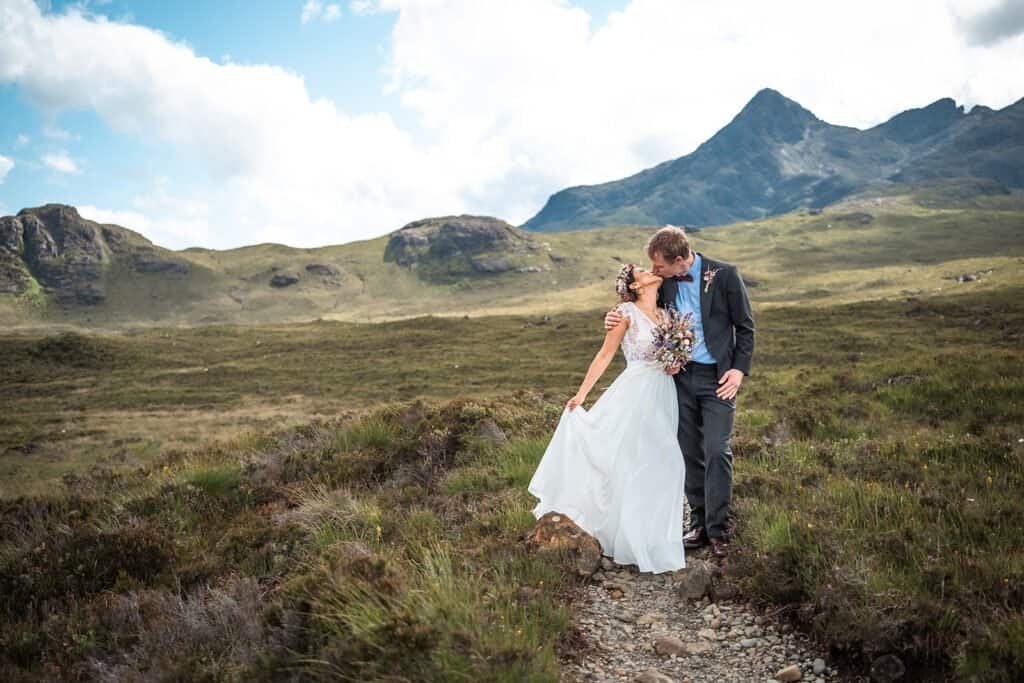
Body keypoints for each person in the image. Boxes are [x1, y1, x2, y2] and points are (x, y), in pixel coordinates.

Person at [603, 225, 755, 559]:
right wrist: (614, 317)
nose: (655, 272)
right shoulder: (666, 282)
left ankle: (719, 530)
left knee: (717, 449)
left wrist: (738, 369)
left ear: (680, 260)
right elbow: (638, 306)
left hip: (719, 379)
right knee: (689, 453)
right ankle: (699, 524)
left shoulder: (726, 275)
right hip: (679, 379)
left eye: (659, 266)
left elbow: (745, 327)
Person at [528, 263, 686, 573]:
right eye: (641, 270)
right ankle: (628, 539)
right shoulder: (624, 313)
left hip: (664, 393)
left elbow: (674, 360)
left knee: (661, 462)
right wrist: (582, 394)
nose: (649, 269)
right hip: (635, 393)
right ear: (635, 286)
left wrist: (674, 363)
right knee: (636, 462)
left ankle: (652, 538)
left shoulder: (667, 315)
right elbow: (605, 354)